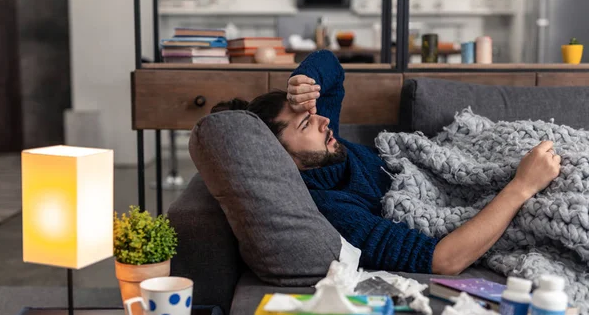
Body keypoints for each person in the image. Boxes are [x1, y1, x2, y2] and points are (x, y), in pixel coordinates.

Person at [211, 50, 561, 275]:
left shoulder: (324, 150)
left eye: (312, 114)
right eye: (305, 123)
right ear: (281, 157)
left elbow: (330, 64)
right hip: (472, 201)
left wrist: (305, 82)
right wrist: (522, 186)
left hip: (456, 161)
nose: (324, 122)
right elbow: (444, 260)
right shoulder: (334, 211)